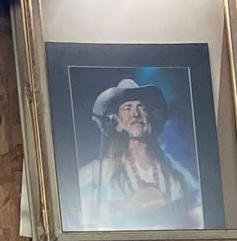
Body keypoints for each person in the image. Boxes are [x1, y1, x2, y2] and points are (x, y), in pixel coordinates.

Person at [81, 78, 203, 232]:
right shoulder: (99, 171)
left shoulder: (175, 171)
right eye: (127, 108)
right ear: (117, 122)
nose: (136, 114)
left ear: (149, 119)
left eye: (141, 108)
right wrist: (126, 206)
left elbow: (199, 210)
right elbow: (76, 209)